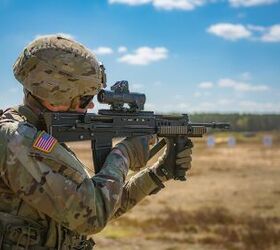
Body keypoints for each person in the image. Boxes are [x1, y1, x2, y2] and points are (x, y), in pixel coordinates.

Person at [0, 35, 193, 249]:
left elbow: (102, 201)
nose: (91, 106)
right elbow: (92, 216)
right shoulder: (17, 140)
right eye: (85, 99)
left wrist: (158, 174)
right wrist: (123, 154)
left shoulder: (40, 136)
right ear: (55, 97)